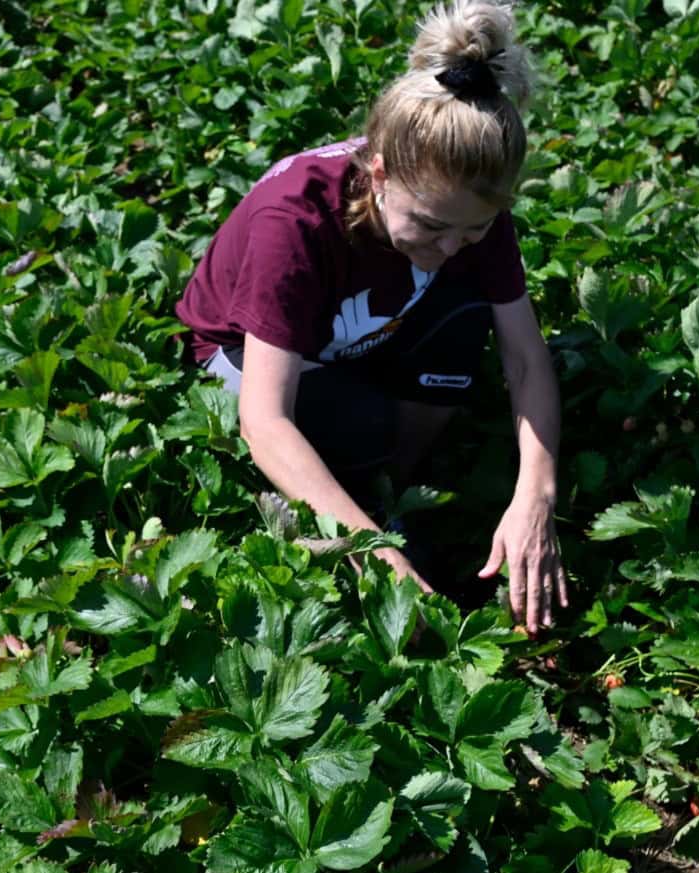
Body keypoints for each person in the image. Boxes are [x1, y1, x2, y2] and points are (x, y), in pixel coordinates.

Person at [176, 0, 568, 635]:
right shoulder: (295, 223)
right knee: (355, 427)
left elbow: (525, 358)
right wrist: (373, 555)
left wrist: (535, 498)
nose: (449, 247)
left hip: (364, 330)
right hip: (244, 355)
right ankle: (353, 523)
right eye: (434, 227)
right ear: (378, 174)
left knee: (463, 326)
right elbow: (265, 419)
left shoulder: (465, 213)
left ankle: (388, 494)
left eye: (474, 231)